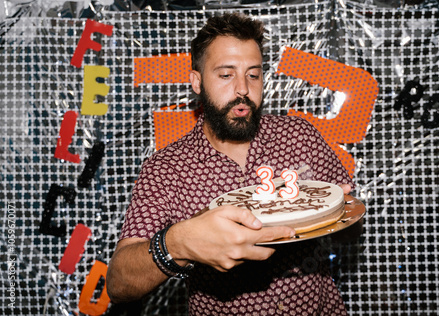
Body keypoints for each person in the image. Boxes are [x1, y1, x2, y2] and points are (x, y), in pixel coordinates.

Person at [107, 12, 354, 315]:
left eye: (253, 74)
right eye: (226, 75)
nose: (242, 89)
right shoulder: (166, 169)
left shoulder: (300, 137)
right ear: (197, 81)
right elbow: (118, 284)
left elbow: (350, 227)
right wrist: (178, 243)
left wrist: (328, 211)